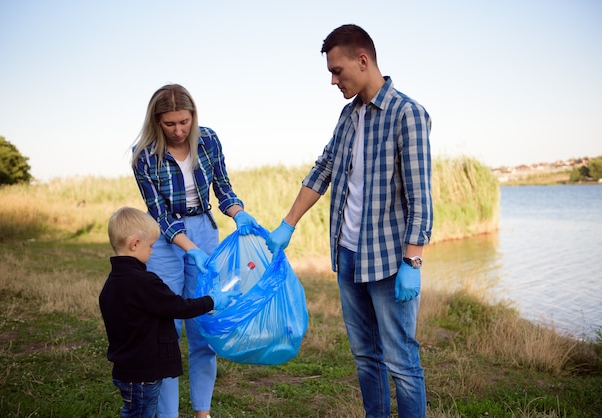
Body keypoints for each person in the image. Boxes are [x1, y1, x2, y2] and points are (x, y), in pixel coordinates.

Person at [266, 24, 433, 417]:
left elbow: (420, 197)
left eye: (337, 70)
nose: (333, 80)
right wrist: (287, 224)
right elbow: (324, 169)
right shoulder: (348, 115)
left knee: (402, 361)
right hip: (348, 255)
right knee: (364, 357)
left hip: (389, 261)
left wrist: (413, 262)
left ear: (363, 60)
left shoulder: (407, 114)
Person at [131, 84, 259, 418]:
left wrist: (238, 212)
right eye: (169, 124)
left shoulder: (209, 140)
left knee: (203, 321)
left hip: (203, 229)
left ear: (193, 117)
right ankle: (168, 413)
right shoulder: (143, 154)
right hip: (161, 238)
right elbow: (157, 212)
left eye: (184, 122)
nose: (178, 130)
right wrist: (189, 249)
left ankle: (202, 412)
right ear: (156, 122)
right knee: (167, 327)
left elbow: (223, 188)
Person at [99, 206, 239, 418]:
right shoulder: (145, 283)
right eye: (151, 246)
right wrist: (212, 301)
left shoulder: (111, 284)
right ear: (135, 244)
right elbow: (178, 307)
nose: (153, 252)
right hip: (144, 374)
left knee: (134, 411)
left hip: (124, 371)